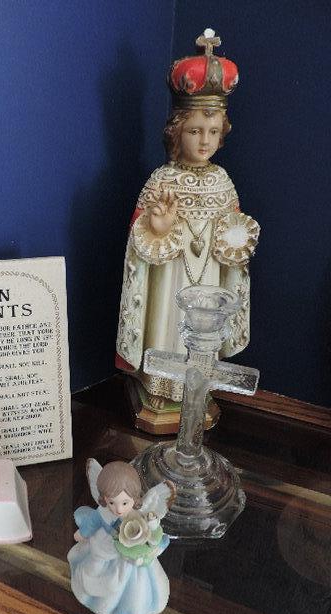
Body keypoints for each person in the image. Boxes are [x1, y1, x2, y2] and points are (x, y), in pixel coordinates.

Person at [116, 29, 260, 413]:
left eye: (213, 132)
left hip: (209, 277)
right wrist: (158, 229)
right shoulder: (162, 180)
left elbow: (232, 237)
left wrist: (234, 240)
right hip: (171, 278)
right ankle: (159, 385)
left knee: (202, 333)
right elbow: (139, 242)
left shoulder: (222, 181)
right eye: (195, 131)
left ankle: (197, 390)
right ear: (176, 131)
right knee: (167, 322)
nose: (204, 141)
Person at [68, 459, 175, 614]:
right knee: (98, 574)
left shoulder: (138, 514)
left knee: (134, 586)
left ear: (134, 498)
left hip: (130, 556)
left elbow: (151, 532)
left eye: (125, 503)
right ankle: (99, 600)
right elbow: (92, 523)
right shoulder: (103, 512)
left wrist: (152, 540)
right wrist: (82, 534)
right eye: (112, 502)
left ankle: (129, 608)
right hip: (105, 548)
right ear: (104, 498)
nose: (118, 509)